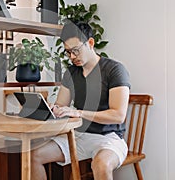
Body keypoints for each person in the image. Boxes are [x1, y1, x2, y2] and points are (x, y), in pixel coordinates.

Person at [31, 21, 131, 180]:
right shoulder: (71, 73)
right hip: (78, 136)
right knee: (34, 156)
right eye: (68, 52)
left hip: (109, 138)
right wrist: (54, 109)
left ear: (90, 43)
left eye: (75, 50)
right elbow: (61, 104)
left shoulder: (114, 70)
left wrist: (77, 112)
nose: (72, 56)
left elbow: (118, 115)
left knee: (102, 164)